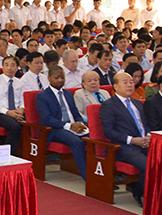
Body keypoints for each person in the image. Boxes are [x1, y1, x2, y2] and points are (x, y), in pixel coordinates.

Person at [99, 72, 149, 206]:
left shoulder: (137, 103)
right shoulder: (109, 105)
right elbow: (108, 132)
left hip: (144, 143)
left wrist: (148, 136)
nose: (130, 85)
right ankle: (145, 196)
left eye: (131, 82)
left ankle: (152, 192)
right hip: (124, 147)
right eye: (125, 82)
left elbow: (146, 124)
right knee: (147, 165)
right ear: (115, 86)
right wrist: (132, 140)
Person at [35, 66, 88, 179]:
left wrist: (79, 123)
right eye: (56, 77)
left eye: (62, 77)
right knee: (77, 142)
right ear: (49, 78)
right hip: (55, 129)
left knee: (95, 139)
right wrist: (69, 126)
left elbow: (75, 112)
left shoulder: (68, 94)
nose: (60, 80)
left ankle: (100, 175)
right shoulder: (42, 96)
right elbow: (47, 119)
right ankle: (88, 177)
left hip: (73, 126)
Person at [0, 56, 24, 156]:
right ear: (2, 67)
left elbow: (22, 99)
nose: (9, 68)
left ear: (17, 68)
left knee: (33, 123)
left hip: (16, 111)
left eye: (12, 65)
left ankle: (27, 153)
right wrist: (7, 112)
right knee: (14, 127)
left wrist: (21, 109)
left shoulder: (20, 83)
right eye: (6, 65)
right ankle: (12, 155)